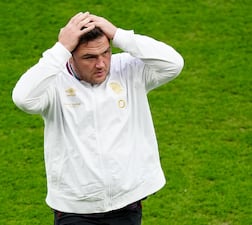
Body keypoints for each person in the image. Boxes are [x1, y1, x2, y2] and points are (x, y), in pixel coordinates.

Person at [12, 12, 184, 225]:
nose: (101, 64)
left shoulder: (128, 70)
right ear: (70, 56)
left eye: (105, 53)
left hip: (126, 204)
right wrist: (59, 49)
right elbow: (23, 98)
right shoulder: (55, 82)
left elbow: (173, 63)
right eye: (89, 57)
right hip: (74, 209)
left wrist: (119, 34)